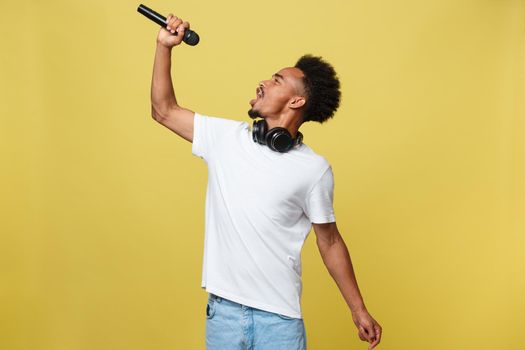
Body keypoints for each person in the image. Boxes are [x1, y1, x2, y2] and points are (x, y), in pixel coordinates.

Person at [150, 13, 382, 350]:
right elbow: (163, 110)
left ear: (296, 101)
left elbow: (329, 242)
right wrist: (163, 47)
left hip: (280, 321)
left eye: (277, 80)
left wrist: (358, 310)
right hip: (223, 314)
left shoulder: (313, 169)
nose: (264, 82)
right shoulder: (226, 138)